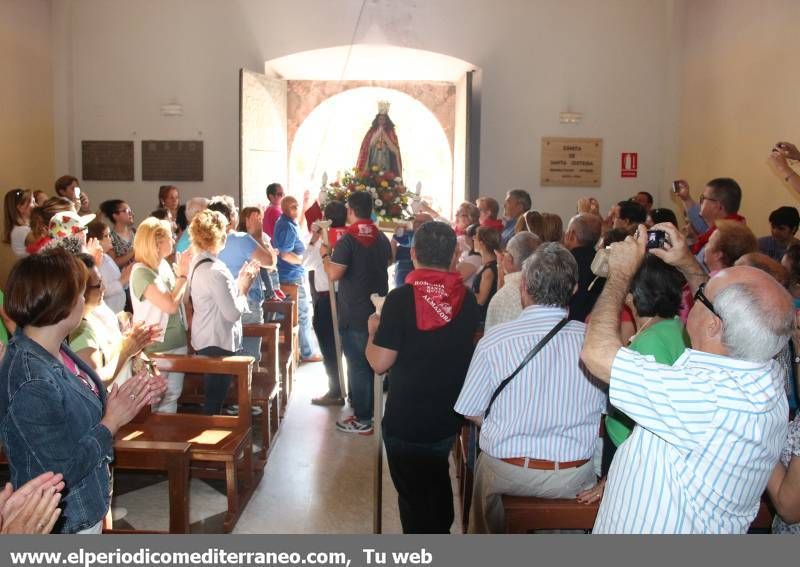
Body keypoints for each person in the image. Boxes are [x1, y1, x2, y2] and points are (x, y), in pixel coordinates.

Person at [581, 222, 793, 533]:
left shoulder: (703, 400)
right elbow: (724, 314)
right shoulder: (767, 376)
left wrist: (620, 276)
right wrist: (686, 262)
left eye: (702, 295)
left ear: (713, 326)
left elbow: (596, 353)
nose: (692, 297)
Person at [1, 248, 165, 533]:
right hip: (65, 519)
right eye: (79, 293)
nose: (83, 299)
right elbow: (59, 472)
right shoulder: (31, 380)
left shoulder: (54, 348)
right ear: (61, 305)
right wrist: (111, 422)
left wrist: (125, 400)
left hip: (86, 502)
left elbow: (78, 409)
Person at [454, 243, 606, 534]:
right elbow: (608, 415)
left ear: (523, 286)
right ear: (574, 289)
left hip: (506, 472)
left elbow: (471, 411)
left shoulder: (494, 341)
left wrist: (508, 423)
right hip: (570, 477)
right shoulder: (594, 344)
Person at [366, 221, 479, 532]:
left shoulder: (401, 299)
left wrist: (372, 332)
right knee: (435, 482)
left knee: (413, 500)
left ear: (413, 253)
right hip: (446, 418)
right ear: (454, 255)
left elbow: (379, 362)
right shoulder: (467, 301)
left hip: (406, 420)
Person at [577, 254, 690, 504]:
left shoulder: (651, 341)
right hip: (630, 445)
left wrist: (611, 477)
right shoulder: (672, 326)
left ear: (633, 292)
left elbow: (650, 418)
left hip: (630, 450)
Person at [323, 191, 392, 434]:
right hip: (376, 311)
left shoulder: (348, 240)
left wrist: (325, 255)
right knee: (370, 363)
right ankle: (369, 412)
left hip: (353, 311)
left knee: (358, 364)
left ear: (350, 210)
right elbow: (388, 262)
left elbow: (333, 274)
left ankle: (363, 419)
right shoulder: (381, 237)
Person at [187, 210, 257, 414]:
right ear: (217, 236)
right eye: (224, 231)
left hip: (206, 337)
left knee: (215, 396)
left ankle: (213, 433)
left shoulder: (198, 262)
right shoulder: (215, 270)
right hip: (216, 341)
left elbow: (218, 297)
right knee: (214, 400)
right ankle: (211, 440)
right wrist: (244, 287)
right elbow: (232, 314)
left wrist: (238, 282)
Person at [130, 217, 191, 413]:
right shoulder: (140, 272)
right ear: (156, 243)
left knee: (173, 394)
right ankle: (155, 440)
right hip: (156, 345)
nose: (174, 239)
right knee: (154, 399)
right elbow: (170, 305)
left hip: (176, 340)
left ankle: (169, 438)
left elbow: (180, 299)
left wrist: (184, 278)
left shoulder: (163, 265)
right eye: (169, 237)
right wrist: (182, 276)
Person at [211, 197, 276, 372]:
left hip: (216, 306)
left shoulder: (205, 243)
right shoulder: (241, 239)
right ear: (231, 218)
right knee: (249, 360)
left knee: (224, 361)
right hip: (246, 304)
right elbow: (269, 261)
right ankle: (249, 392)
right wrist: (257, 235)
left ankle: (231, 393)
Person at [69, 254, 153, 384]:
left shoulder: (93, 313)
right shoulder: (80, 331)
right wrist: (126, 351)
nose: (104, 288)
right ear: (82, 291)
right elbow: (95, 382)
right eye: (98, 285)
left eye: (102, 281)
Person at [306, 201, 348, 406]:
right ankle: (348, 390)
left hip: (328, 299)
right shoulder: (350, 238)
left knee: (330, 347)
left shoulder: (324, 240)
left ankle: (335, 389)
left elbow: (304, 262)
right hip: (349, 299)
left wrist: (314, 238)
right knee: (347, 344)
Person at [273, 195, 321, 362]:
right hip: (290, 276)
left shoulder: (289, 222)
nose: (295, 208)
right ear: (284, 208)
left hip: (291, 275)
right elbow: (285, 254)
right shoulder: (285, 225)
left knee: (300, 313)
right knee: (302, 314)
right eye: (291, 206)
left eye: (297, 205)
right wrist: (303, 261)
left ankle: (301, 351)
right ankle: (307, 353)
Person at [674, 177, 745, 267]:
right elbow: (699, 224)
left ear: (717, 206)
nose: (700, 202)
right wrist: (686, 198)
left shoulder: (725, 239)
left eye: (703, 198)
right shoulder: (719, 229)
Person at [484, 232, 541, 330]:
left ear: (510, 259)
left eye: (505, 252)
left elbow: (491, 338)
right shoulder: (547, 287)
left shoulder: (502, 298)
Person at [563, 213, 604, 322]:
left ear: (571, 234)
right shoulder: (602, 263)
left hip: (567, 324)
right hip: (595, 323)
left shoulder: (564, 264)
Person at [86, 219, 129, 314]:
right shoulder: (93, 262)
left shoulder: (106, 257)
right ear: (96, 240)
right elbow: (101, 291)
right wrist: (122, 281)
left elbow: (118, 279)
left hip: (119, 311)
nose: (111, 239)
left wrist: (126, 274)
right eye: (106, 236)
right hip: (107, 312)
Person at [356, 104, 402, 177]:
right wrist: (378, 133)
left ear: (387, 120)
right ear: (377, 120)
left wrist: (384, 135)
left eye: (384, 119)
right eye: (380, 119)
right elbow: (369, 145)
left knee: (384, 173)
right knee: (374, 172)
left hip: (386, 159)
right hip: (374, 158)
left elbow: (394, 149)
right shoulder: (372, 131)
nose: (382, 121)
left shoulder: (390, 132)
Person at [391, 213, 432, 288]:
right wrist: (395, 239)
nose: (417, 224)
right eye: (416, 221)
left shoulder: (433, 240)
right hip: (403, 273)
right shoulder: (407, 235)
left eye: (422, 222)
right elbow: (392, 258)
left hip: (422, 276)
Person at [472, 226, 501, 325]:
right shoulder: (486, 265)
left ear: (482, 244)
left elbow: (481, 300)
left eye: (475, 237)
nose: (473, 239)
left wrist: (464, 293)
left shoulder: (489, 271)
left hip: (482, 320)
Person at [100, 199, 136, 269]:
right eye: (127, 211)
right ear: (115, 215)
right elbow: (113, 264)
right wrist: (133, 251)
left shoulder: (134, 232)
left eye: (131, 211)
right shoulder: (110, 238)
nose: (131, 214)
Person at [4, 188, 34, 258]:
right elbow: (46, 246)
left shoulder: (25, 227)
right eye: (33, 202)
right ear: (20, 207)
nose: (36, 205)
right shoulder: (22, 231)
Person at [456, 224, 484, 288]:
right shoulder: (467, 252)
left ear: (472, 238)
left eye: (466, 234)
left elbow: (456, 280)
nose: (464, 236)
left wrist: (455, 256)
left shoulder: (475, 258)